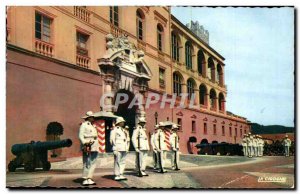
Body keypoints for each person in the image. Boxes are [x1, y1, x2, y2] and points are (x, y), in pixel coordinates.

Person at [78, 111, 99, 186]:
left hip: (94, 144)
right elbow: (80, 135)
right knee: (87, 161)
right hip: (88, 144)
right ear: (89, 117)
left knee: (93, 162)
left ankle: (89, 178)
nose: (93, 118)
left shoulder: (93, 125)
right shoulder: (84, 125)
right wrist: (84, 143)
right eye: (92, 117)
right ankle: (85, 178)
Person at [110, 117, 128, 181]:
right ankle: (117, 175)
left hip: (124, 147)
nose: (123, 123)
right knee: (117, 161)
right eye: (122, 122)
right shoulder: (114, 130)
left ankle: (121, 174)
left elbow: (126, 139)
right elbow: (112, 140)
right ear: (119, 122)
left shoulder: (123, 130)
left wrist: (126, 147)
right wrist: (114, 148)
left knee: (123, 161)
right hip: (118, 148)